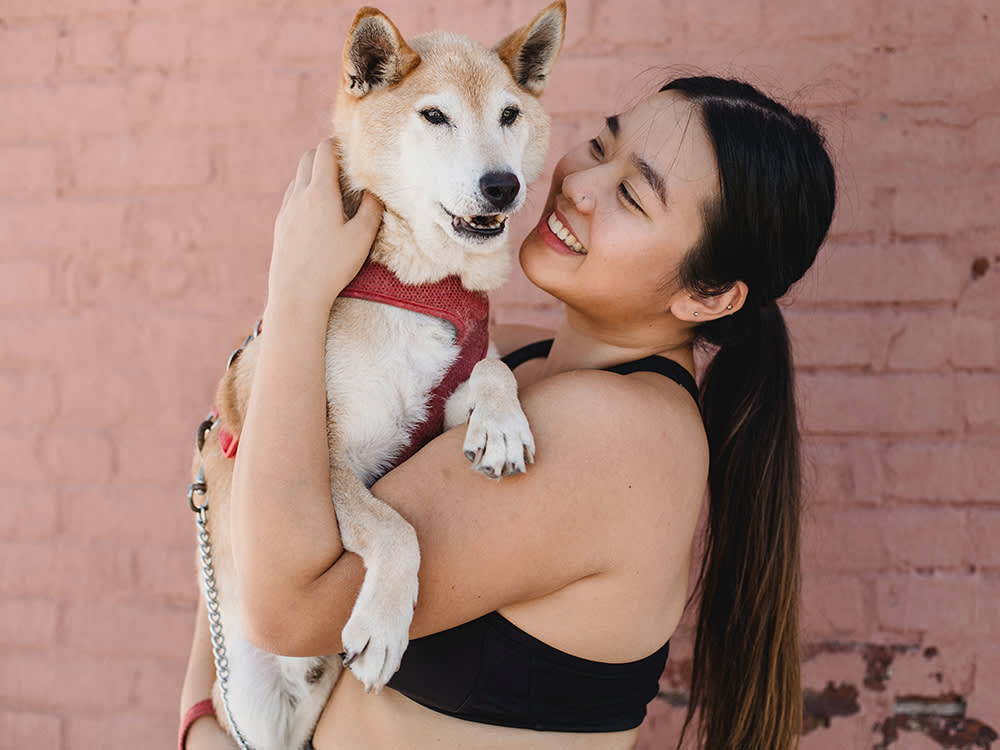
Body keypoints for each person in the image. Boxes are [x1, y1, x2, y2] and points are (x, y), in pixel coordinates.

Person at [179, 75, 836, 750]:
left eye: (632, 195)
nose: (579, 185)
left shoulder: (614, 435)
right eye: (601, 145)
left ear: (709, 295)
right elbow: (246, 486)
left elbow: (285, 606)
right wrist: (202, 714)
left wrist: (296, 292)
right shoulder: (513, 362)